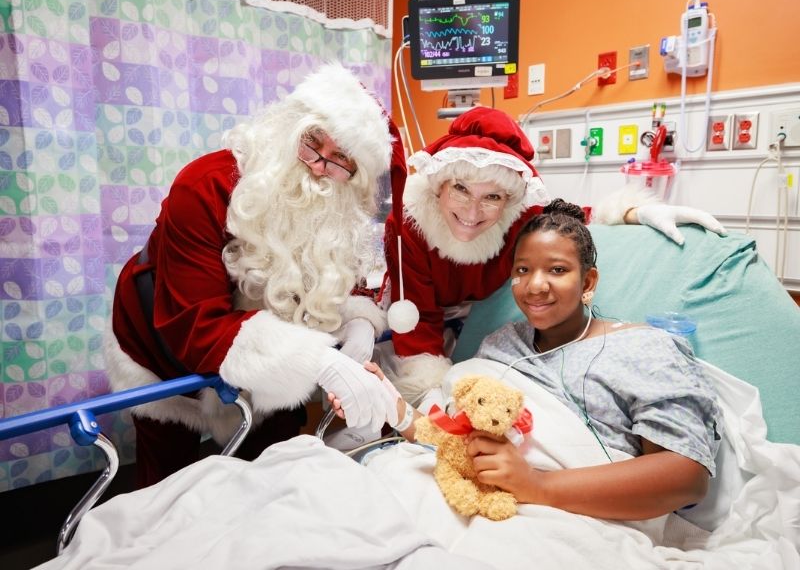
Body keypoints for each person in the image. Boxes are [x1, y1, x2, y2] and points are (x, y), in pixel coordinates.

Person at [331, 199, 722, 521]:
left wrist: (534, 484)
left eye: (557, 270)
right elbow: (461, 440)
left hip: (564, 514)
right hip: (462, 492)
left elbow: (684, 477)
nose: (535, 285)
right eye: (523, 270)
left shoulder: (645, 348)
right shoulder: (504, 343)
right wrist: (392, 407)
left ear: (587, 282)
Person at [105, 63, 402, 487]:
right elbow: (196, 326)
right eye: (312, 143)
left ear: (354, 180)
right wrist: (319, 360)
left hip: (270, 352)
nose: (319, 167)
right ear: (288, 127)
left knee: (275, 464)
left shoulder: (337, 215)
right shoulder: (202, 186)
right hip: (159, 342)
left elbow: (334, 284)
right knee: (168, 477)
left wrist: (357, 323)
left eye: (340, 161)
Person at [378, 106, 726, 404]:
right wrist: (431, 399)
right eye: (461, 189)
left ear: (510, 202)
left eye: (493, 197)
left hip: (478, 321)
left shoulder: (521, 221)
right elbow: (418, 317)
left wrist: (637, 212)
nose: (472, 211)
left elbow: (569, 222)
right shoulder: (410, 225)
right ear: (439, 185)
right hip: (417, 315)